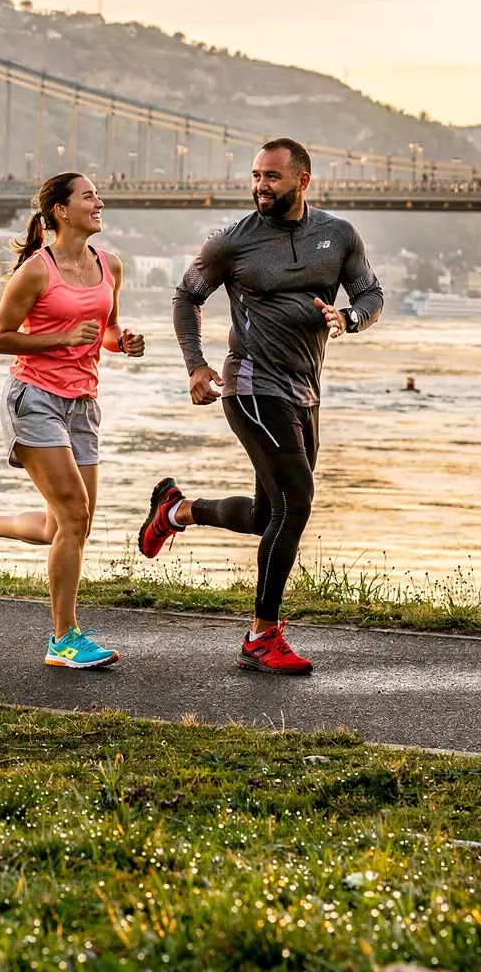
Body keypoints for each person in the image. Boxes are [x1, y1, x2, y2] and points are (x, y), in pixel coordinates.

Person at [138, 137, 383, 674]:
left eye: (272, 177)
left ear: (303, 180)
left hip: (304, 391)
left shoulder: (337, 235)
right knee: (297, 503)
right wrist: (196, 366)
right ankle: (261, 635)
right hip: (250, 385)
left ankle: (175, 510)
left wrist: (350, 318)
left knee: (264, 515)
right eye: (255, 176)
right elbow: (186, 296)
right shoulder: (234, 242)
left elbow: (370, 293)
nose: (260, 186)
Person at [0, 171, 145, 668]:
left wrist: (124, 342)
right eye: (89, 196)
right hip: (34, 399)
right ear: (61, 211)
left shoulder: (109, 265)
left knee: (68, 524)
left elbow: (105, 331)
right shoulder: (36, 270)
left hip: (83, 404)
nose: (99, 202)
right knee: (74, 517)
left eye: (97, 195)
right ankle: (64, 639)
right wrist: (60, 339)